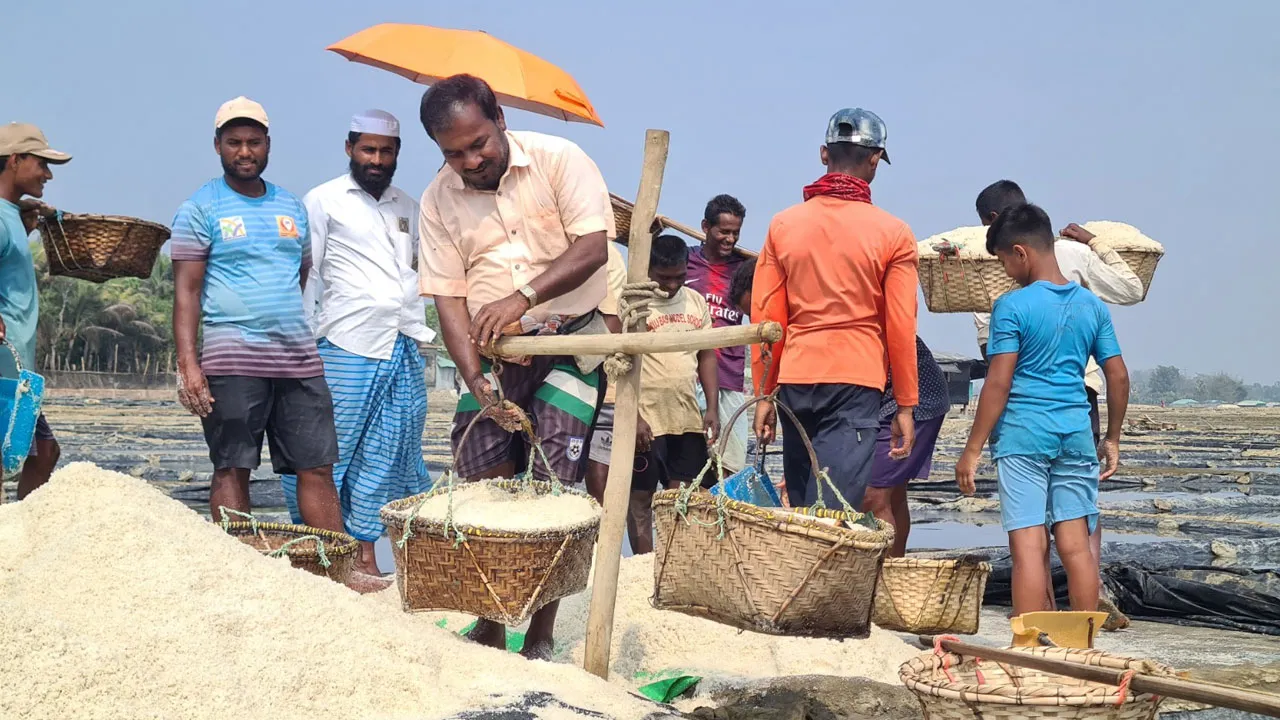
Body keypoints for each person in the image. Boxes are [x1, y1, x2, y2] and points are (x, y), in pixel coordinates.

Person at [416, 74, 613, 660]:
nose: (471, 160)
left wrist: (522, 297)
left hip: (569, 349)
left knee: (555, 486)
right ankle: (492, 623)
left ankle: (542, 631)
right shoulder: (437, 199)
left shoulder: (560, 159)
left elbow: (594, 248)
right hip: (498, 360)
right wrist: (473, 376)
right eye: (454, 153)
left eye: (479, 144)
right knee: (482, 484)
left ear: (499, 119)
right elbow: (448, 298)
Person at [170, 97, 344, 538]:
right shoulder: (200, 208)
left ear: (268, 144)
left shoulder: (291, 207)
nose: (244, 151)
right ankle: (239, 574)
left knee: (317, 467)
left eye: (253, 141)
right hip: (232, 362)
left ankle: (339, 576)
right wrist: (189, 365)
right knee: (233, 468)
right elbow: (187, 293)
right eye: (234, 142)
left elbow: (301, 275)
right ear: (217, 146)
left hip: (298, 361)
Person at [974, 179, 1139, 627]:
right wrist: (1112, 438)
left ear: (1020, 252)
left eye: (1004, 260)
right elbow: (1118, 375)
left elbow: (998, 384)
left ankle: (1030, 652)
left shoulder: (1011, 307)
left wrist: (971, 451)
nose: (1006, 270)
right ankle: (1082, 647)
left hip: (1024, 436)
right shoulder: (1091, 306)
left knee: (1028, 545)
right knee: (1075, 543)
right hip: (1074, 433)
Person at [283, 110, 437, 577]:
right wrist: (302, 343)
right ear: (349, 148)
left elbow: (416, 272)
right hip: (343, 344)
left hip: (402, 342)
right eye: (367, 149)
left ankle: (367, 555)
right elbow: (306, 274)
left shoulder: (408, 206)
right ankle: (322, 549)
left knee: (389, 450)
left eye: (385, 151)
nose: (376, 159)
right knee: (329, 453)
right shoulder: (323, 200)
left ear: (396, 155)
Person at [751, 108, 919, 509]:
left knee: (803, 502)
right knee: (832, 512)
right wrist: (907, 405)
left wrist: (763, 396)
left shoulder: (783, 225)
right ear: (875, 159)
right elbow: (899, 325)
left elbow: (767, 319)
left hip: (795, 377)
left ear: (824, 154)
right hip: (855, 379)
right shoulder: (893, 232)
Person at [0, 123, 70, 500]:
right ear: (14, 160)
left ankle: (16, 535)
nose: (48, 173)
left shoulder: (11, 215)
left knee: (44, 451)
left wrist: (32, 220)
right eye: (41, 163)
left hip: (19, 366)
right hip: (3, 365)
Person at [632, 234, 720, 498]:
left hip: (686, 418)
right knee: (640, 499)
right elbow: (619, 364)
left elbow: (707, 354)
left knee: (684, 499)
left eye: (679, 277)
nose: (671, 285)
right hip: (647, 419)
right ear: (648, 270)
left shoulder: (695, 301)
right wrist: (633, 417)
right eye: (663, 278)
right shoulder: (635, 303)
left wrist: (712, 408)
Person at [864, 337, 949, 557]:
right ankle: (895, 570)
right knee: (893, 494)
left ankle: (883, 579)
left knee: (872, 494)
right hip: (878, 397)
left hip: (915, 395)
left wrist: (905, 409)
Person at [687, 194, 750, 473]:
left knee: (730, 466)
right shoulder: (684, 262)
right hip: (686, 376)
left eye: (735, 233)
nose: (730, 239)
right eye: (723, 231)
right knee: (687, 466)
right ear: (705, 226)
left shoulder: (745, 269)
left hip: (729, 378)